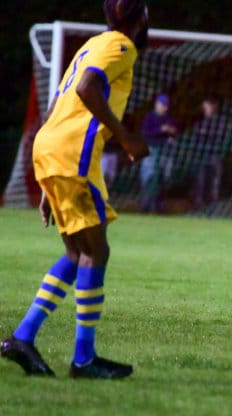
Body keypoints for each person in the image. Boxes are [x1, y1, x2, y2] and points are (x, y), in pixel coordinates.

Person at [1, 0, 150, 379]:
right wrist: (126, 137)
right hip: (71, 153)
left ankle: (23, 338)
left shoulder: (93, 44)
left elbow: (58, 101)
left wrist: (48, 180)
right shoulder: (121, 45)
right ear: (141, 17)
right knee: (96, 251)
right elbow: (86, 87)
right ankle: (83, 359)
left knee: (77, 251)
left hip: (51, 148)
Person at [139, 93, 177, 213]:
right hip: (151, 150)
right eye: (162, 105)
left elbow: (174, 130)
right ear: (157, 104)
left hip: (164, 151)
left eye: (166, 106)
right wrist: (161, 130)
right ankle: (145, 206)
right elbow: (145, 133)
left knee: (163, 178)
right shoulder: (150, 117)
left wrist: (170, 133)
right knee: (148, 177)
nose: (164, 108)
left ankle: (159, 206)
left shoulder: (167, 118)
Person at [193, 95, 225, 209]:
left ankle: (213, 204)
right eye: (205, 106)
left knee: (215, 180)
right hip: (202, 155)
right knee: (200, 180)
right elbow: (197, 136)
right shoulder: (200, 121)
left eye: (208, 106)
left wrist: (205, 134)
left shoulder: (219, 122)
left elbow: (219, 136)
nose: (206, 109)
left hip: (215, 154)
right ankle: (199, 203)